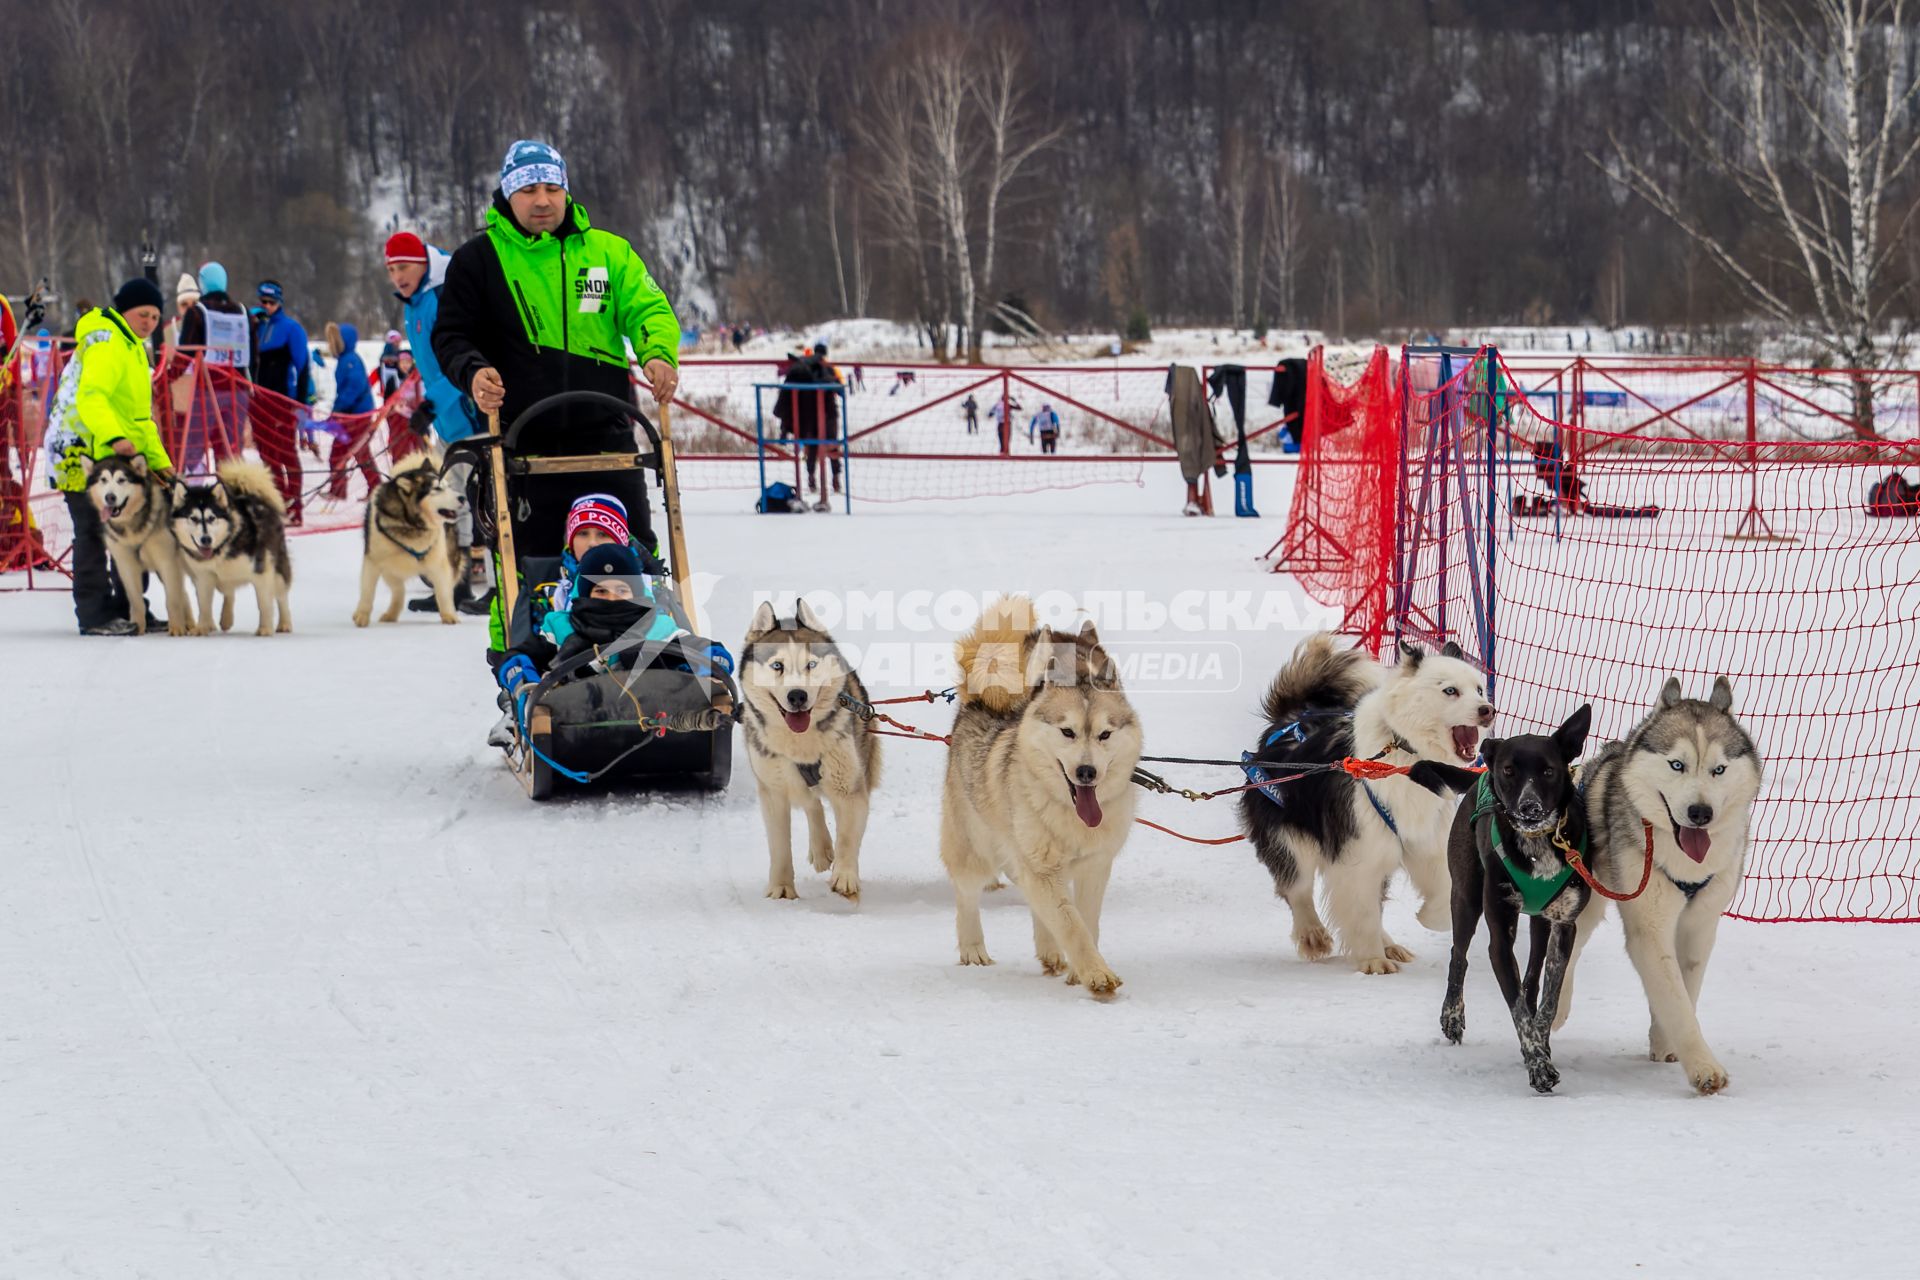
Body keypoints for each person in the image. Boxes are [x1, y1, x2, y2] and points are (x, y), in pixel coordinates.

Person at [431, 138, 681, 654]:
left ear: (566, 191)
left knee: (635, 557)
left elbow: (648, 308)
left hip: (609, 438)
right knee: (528, 564)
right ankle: (522, 667)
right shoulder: (478, 260)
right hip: (524, 444)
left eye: (551, 188)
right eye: (528, 189)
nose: (541, 200)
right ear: (507, 193)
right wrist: (473, 372)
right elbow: (452, 336)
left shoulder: (608, 252)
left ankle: (650, 657)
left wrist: (658, 352)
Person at [41, 279, 175, 635]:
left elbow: (139, 418)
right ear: (124, 310)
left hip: (109, 450)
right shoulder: (106, 341)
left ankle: (131, 608)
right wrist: (115, 436)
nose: (148, 322)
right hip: (79, 449)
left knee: (130, 528)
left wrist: (161, 464)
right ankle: (95, 614)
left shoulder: (133, 348)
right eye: (142, 314)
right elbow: (93, 396)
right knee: (94, 531)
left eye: (155, 317)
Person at [386, 228, 488, 611]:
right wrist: (429, 407)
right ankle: (456, 586)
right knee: (452, 504)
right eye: (392, 269)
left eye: (405, 267)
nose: (398, 276)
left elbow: (460, 357)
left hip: (472, 416)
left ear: (424, 264)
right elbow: (427, 368)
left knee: (485, 505)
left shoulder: (443, 295)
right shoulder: (413, 304)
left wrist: (434, 403)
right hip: (448, 423)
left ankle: (498, 588)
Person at [170, 262, 253, 472]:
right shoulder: (244, 313)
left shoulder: (197, 313)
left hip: (207, 391)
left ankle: (193, 495)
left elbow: (185, 353)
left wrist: (168, 377)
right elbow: (254, 357)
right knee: (231, 451)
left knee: (193, 450)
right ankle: (230, 496)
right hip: (237, 392)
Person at [249, 279, 313, 523]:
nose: (267, 306)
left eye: (271, 302)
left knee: (286, 452)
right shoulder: (257, 328)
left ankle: (295, 504)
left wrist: (302, 403)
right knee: (266, 454)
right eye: (263, 302)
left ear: (280, 302)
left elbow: (303, 366)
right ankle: (279, 500)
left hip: (282, 400)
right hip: (259, 401)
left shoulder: (291, 328)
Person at [321, 322, 380, 499]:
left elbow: (353, 388)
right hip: (351, 414)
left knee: (352, 453)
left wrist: (338, 409)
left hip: (357, 415)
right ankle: (346, 489)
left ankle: (370, 489)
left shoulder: (350, 361)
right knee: (354, 453)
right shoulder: (346, 359)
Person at [377, 328, 404, 397]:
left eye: (399, 341)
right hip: (389, 372)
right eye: (396, 341)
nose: (398, 343)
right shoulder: (389, 348)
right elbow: (384, 358)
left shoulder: (397, 350)